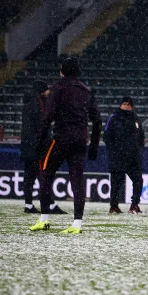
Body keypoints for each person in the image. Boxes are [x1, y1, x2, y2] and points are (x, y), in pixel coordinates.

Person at [30, 57, 101, 234]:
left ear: (62, 72)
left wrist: (39, 141)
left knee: (45, 174)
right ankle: (77, 224)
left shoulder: (58, 88)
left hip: (61, 139)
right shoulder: (86, 91)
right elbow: (97, 120)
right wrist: (93, 146)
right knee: (77, 181)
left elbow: (48, 116)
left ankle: (44, 219)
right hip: (80, 140)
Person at [20, 80, 66, 215]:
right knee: (44, 176)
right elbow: (42, 125)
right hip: (37, 147)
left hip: (28, 146)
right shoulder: (38, 104)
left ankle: (28, 204)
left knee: (29, 177)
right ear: (42, 91)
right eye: (46, 90)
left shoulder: (28, 104)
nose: (48, 92)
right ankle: (50, 205)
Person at [104, 97, 145, 214]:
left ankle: (134, 205)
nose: (126, 106)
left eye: (128, 104)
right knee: (116, 183)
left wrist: (139, 150)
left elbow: (141, 137)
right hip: (118, 157)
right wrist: (113, 152)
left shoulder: (136, 119)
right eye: (124, 104)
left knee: (138, 180)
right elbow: (107, 137)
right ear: (120, 105)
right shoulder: (113, 118)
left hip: (133, 158)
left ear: (132, 106)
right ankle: (114, 206)